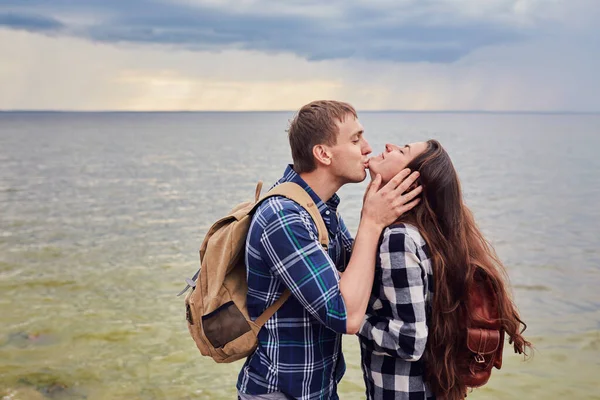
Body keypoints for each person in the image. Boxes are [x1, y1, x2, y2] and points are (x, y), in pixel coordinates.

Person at [236, 100, 422, 400]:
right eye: (355, 139)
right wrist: (372, 221)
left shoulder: (321, 211)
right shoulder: (284, 217)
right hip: (281, 394)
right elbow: (346, 315)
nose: (367, 148)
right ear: (323, 153)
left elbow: (361, 275)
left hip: (317, 390)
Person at [357, 139, 531, 400]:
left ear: (413, 183)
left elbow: (409, 340)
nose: (389, 146)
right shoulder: (428, 236)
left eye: (402, 151)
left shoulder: (399, 239)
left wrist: (354, 319)